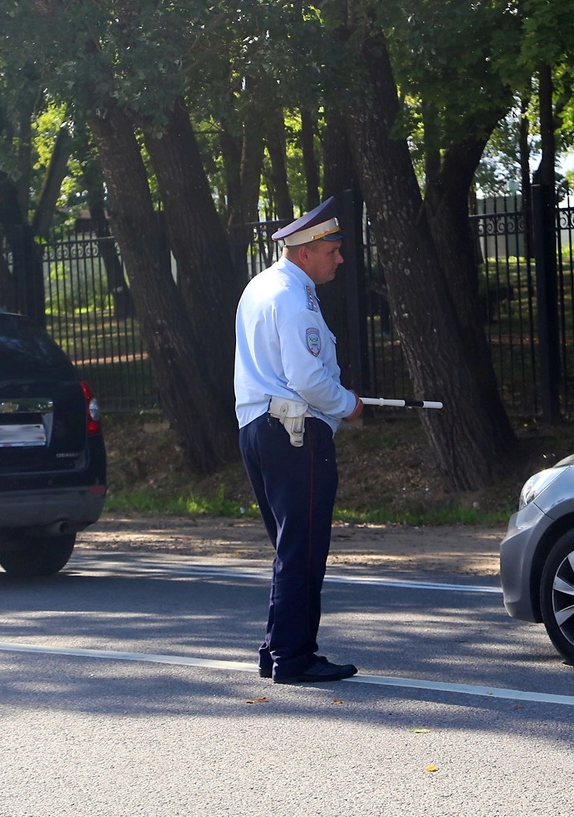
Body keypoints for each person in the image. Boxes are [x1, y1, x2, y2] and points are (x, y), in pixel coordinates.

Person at [234, 197, 364, 684]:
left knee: (292, 547)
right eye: (332, 248)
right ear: (305, 250)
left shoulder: (260, 287)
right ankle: (293, 657)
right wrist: (348, 404)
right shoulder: (296, 296)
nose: (339, 257)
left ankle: (279, 650)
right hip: (294, 432)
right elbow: (307, 377)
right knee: (303, 549)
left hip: (259, 428)